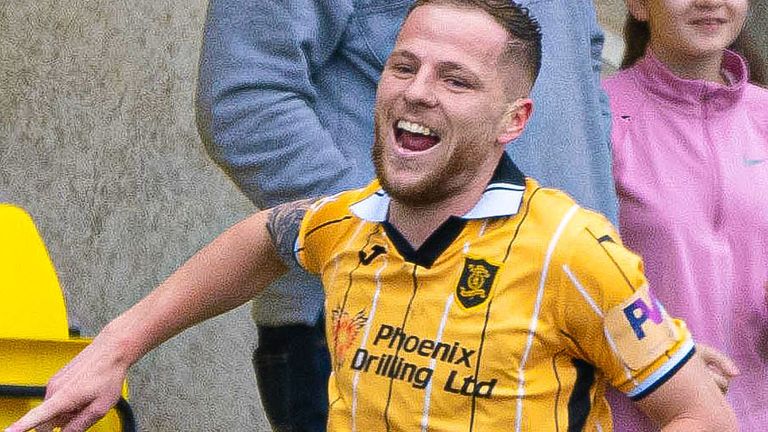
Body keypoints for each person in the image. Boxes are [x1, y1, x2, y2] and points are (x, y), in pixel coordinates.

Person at [8, 1, 736, 431]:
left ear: (514, 117)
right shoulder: (352, 224)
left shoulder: (575, 253)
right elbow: (261, 199)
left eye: (455, 78)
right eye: (403, 65)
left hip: (559, 311)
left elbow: (582, 94)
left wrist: (619, 312)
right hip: (333, 329)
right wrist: (116, 348)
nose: (418, 91)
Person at [195, 0, 617, 428]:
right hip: (373, 330)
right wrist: (395, 243)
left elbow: (584, 81)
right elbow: (246, 102)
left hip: (562, 332)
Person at [604, 0, 768, 430]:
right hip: (641, 416)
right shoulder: (601, 117)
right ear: (639, 5)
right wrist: (663, 358)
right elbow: (557, 285)